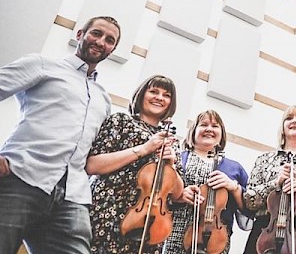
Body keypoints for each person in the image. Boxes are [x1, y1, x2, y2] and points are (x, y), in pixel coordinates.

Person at [0, 16, 121, 254]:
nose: (100, 42)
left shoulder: (103, 99)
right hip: (22, 179)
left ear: (112, 49)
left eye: (109, 40)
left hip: (73, 197)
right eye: (96, 33)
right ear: (80, 34)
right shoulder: (43, 65)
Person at [86, 74, 183, 253]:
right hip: (109, 212)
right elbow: (92, 165)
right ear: (141, 95)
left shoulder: (171, 140)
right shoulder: (121, 121)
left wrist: (172, 165)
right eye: (153, 91)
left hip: (149, 223)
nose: (159, 98)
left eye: (166, 95)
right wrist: (144, 149)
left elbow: (177, 194)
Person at [164, 109, 249, 254]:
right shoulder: (177, 158)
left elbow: (248, 207)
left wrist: (234, 187)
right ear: (194, 131)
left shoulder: (235, 168)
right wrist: (179, 195)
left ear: (221, 134)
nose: (209, 129)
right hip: (176, 232)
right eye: (203, 125)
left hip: (215, 239)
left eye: (215, 126)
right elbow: (160, 193)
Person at [243, 105, 296, 254]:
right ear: (282, 126)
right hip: (265, 230)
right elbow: (249, 200)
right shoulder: (264, 159)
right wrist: (275, 183)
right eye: (289, 118)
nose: (294, 121)